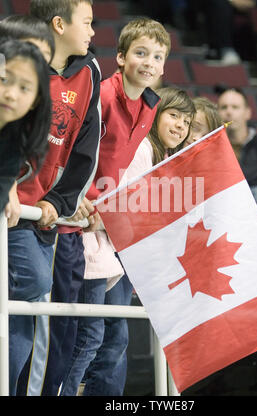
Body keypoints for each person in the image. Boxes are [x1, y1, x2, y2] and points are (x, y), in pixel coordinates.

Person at [61, 86, 195, 396]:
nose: (180, 126)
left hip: (120, 250)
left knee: (109, 337)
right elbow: (124, 203)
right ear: (157, 115)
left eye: (186, 122)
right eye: (174, 116)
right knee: (101, 337)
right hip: (105, 246)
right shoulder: (143, 148)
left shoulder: (158, 153)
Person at [9, 0, 101, 396]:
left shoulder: (90, 72)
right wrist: (7, 188)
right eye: (88, 22)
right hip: (10, 210)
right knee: (30, 287)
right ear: (59, 24)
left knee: (24, 319)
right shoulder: (16, 65)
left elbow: (85, 151)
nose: (94, 32)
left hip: (40, 215)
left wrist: (58, 204)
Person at [0, 39, 51, 218]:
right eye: (4, 79)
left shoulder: (15, 145)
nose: (11, 95)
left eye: (24, 88)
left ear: (35, 101)